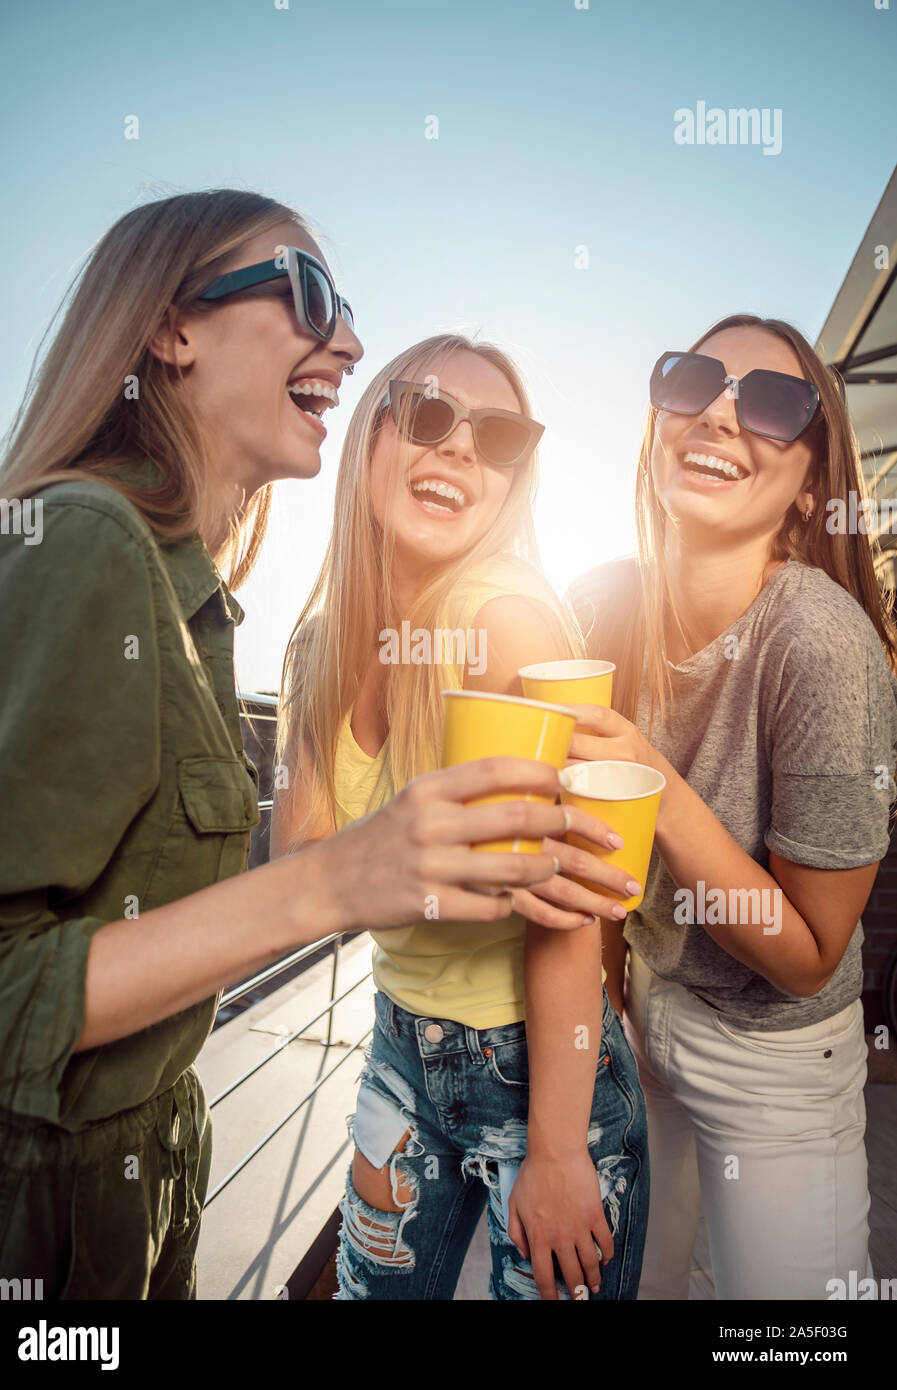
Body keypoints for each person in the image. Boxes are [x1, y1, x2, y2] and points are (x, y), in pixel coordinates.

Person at [0, 190, 579, 1300]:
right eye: (305, 292)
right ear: (172, 328)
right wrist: (345, 875)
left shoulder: (195, 595)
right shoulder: (88, 540)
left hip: (139, 1178)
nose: (344, 338)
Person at [273, 336, 650, 1300]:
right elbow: (302, 873)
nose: (457, 451)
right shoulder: (319, 642)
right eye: (429, 414)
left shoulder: (504, 621)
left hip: (536, 1065)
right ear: (370, 433)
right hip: (401, 1041)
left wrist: (559, 1151)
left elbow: (568, 903)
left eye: (498, 437)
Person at [566, 314, 897, 1299]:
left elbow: (806, 957)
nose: (717, 410)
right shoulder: (606, 604)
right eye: (693, 380)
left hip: (775, 1062)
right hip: (651, 1018)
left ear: (807, 485)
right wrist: (610, 1007)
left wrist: (653, 786)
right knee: (655, 1284)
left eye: (768, 402)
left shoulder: (821, 646)